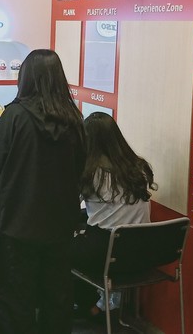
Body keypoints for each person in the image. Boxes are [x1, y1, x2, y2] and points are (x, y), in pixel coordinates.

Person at [0, 49, 86, 334]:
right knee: (57, 295)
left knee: (13, 298)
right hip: (60, 224)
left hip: (16, 222)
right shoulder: (74, 119)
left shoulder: (15, 115)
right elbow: (81, 167)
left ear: (25, 77)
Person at [72, 111, 156, 318]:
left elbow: (66, 208)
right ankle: (108, 305)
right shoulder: (138, 167)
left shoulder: (90, 173)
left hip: (108, 253)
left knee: (57, 251)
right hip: (143, 252)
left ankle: (91, 308)